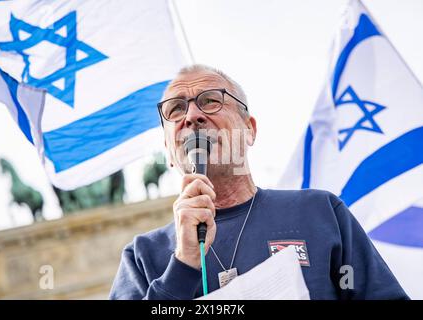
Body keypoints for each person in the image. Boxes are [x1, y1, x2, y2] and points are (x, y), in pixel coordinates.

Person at [109, 64, 409, 300]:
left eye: (211, 100)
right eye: (176, 109)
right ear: (170, 152)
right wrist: (184, 263)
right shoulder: (141, 257)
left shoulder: (320, 212)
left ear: (249, 130)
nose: (192, 115)